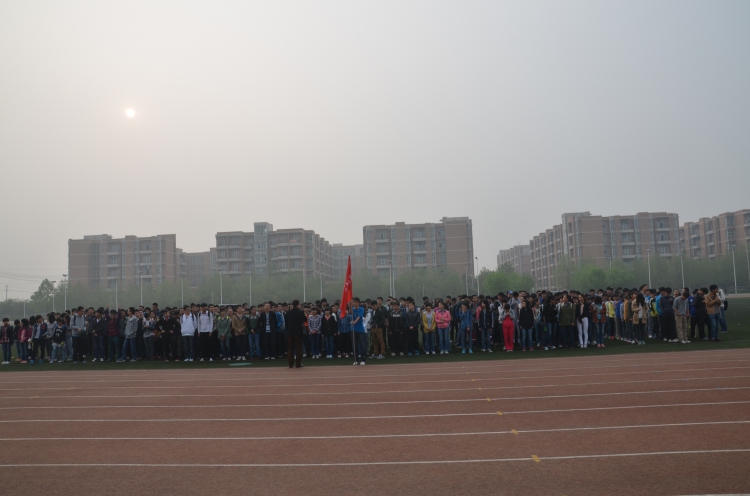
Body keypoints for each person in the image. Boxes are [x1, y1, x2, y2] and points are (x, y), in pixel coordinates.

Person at [285, 300, 307, 369]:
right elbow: (305, 320)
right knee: (298, 349)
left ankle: (290, 364)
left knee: (290, 349)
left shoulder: (288, 312)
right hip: (298, 332)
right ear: (298, 305)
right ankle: (298, 364)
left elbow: (286, 322)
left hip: (290, 332)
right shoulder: (300, 312)